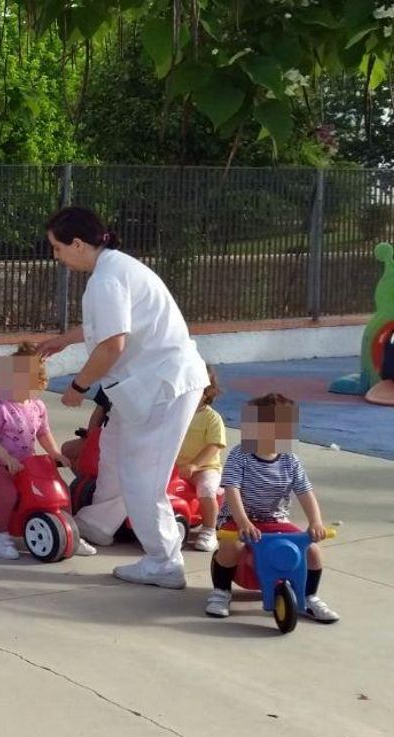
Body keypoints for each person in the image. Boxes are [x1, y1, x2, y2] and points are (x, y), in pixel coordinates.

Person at [40, 207, 208, 590]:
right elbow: (110, 326)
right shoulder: (114, 269)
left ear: (78, 244)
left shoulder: (107, 279)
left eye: (57, 247)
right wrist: (64, 339)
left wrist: (78, 387)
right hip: (152, 385)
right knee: (114, 449)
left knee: (142, 476)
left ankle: (163, 561)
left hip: (163, 387)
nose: (57, 256)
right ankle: (99, 523)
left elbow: (112, 345)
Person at [205, 394, 338, 623]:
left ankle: (308, 597)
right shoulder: (241, 455)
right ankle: (221, 592)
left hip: (275, 520)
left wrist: (315, 522)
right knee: (231, 546)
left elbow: (305, 493)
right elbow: (232, 490)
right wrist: (243, 522)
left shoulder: (290, 461)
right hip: (238, 518)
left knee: (312, 551)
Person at [0, 342, 96, 559]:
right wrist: (5, 458)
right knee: (8, 494)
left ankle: (70, 533)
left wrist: (55, 453)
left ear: (38, 384)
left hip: (26, 464)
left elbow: (43, 433)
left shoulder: (37, 407)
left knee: (59, 489)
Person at [176, 366, 227, 552]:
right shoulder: (176, 413)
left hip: (204, 468)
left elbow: (215, 445)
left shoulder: (211, 418)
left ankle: (208, 530)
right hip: (175, 466)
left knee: (206, 488)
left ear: (207, 393)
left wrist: (195, 464)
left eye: (196, 390)